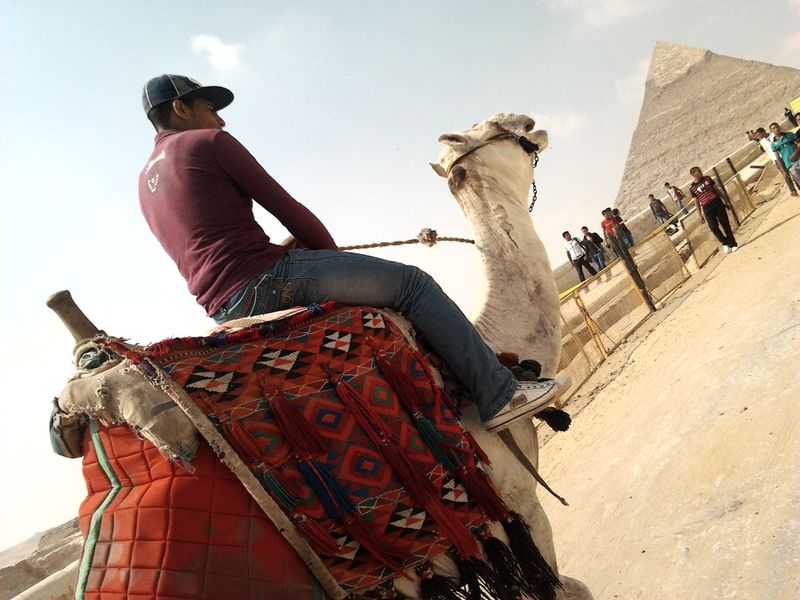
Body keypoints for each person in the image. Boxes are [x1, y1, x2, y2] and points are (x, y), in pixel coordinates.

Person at [137, 74, 567, 433]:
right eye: (210, 108)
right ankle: (498, 394)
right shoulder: (208, 143)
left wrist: (286, 254)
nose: (220, 119)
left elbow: (210, 249)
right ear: (180, 109)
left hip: (223, 310)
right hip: (268, 279)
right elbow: (289, 210)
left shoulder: (144, 183)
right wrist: (328, 254)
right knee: (412, 285)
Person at [688, 167, 738, 253]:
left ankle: (733, 244)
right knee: (713, 227)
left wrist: (726, 201)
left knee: (725, 224)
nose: (701, 172)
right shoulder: (692, 188)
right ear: (693, 175)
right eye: (698, 171)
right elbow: (696, 201)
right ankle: (725, 242)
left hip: (716, 202)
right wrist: (700, 215)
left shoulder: (707, 178)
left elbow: (717, 190)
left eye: (700, 170)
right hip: (706, 207)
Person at [756, 126, 797, 195]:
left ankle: (798, 186)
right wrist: (774, 161)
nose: (758, 137)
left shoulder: (774, 135)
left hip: (784, 155)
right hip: (777, 159)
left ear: (764, 132)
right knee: (785, 174)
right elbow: (768, 151)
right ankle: (793, 190)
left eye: (759, 134)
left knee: (793, 171)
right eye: (757, 136)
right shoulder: (762, 142)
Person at [769, 122, 800, 188]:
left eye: (777, 127)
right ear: (771, 131)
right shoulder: (774, 144)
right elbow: (778, 158)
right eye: (774, 128)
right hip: (790, 165)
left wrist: (795, 153)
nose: (776, 129)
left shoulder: (789, 134)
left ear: (779, 127)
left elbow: (799, 144)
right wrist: (783, 171)